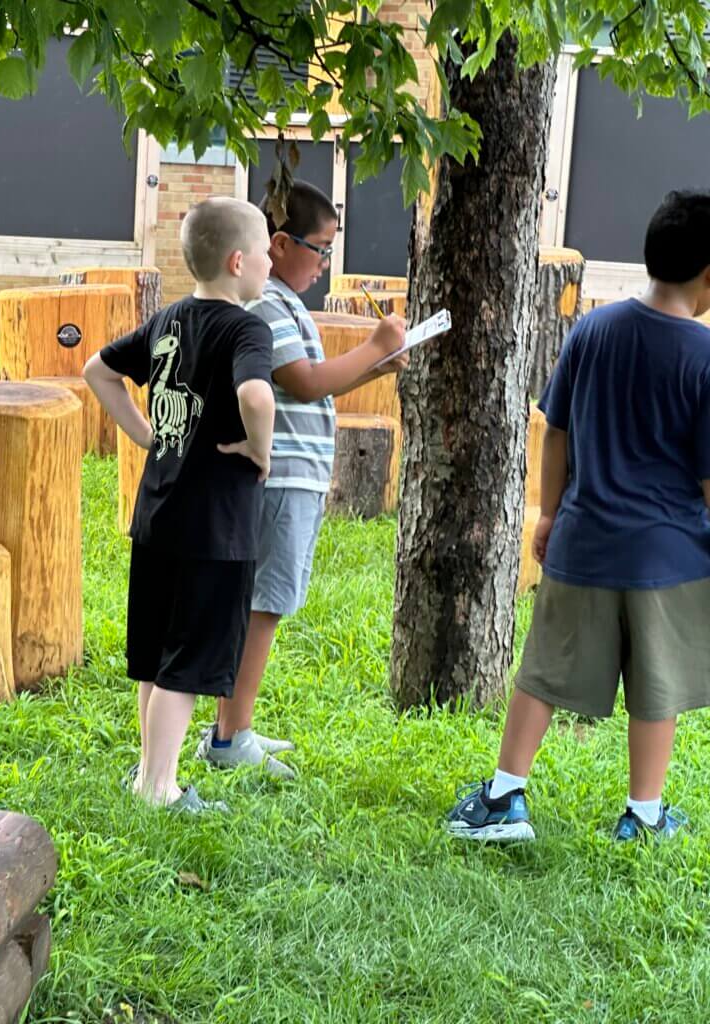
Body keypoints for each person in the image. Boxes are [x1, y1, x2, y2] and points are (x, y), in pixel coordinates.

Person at [446, 189, 710, 842]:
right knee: (659, 688)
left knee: (542, 672)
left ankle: (506, 797)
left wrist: (547, 514)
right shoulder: (704, 358)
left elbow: (555, 429)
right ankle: (644, 815)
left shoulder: (592, 329)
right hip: (667, 557)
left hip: (583, 540)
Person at [196, 179, 408, 777]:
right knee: (264, 605)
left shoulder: (283, 302)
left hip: (296, 477)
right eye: (321, 248)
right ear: (281, 244)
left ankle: (231, 729)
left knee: (262, 603)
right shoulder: (266, 303)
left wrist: (374, 366)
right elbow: (304, 380)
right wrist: (374, 345)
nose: (325, 263)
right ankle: (229, 738)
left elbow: (318, 380)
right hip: (282, 479)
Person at [84, 196, 275, 814]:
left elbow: (98, 370)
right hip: (213, 530)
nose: (271, 263)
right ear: (238, 260)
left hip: (158, 515)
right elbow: (257, 395)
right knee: (186, 664)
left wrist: (143, 433)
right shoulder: (247, 328)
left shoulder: (167, 319)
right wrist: (258, 448)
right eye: (267, 253)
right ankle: (160, 789)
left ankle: (148, 774)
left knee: (156, 655)